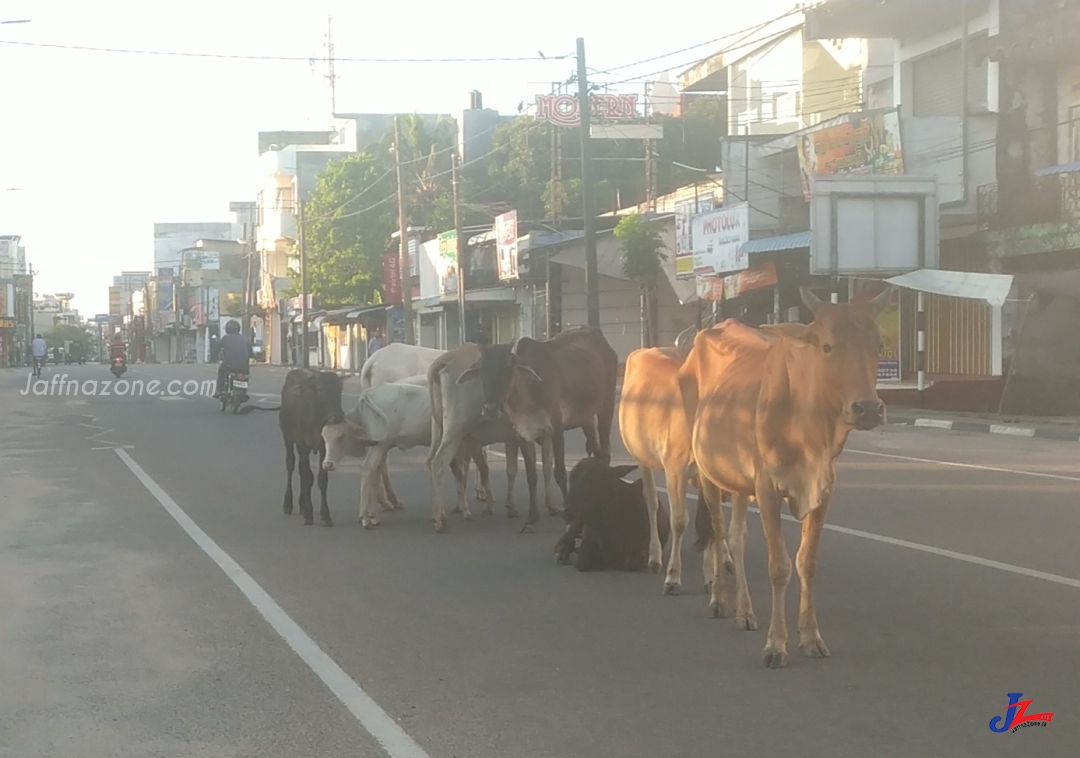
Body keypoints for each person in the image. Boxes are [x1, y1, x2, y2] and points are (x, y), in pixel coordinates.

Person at [215, 320, 251, 398]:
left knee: (221, 371)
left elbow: (216, 348)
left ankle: (219, 390)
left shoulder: (226, 338)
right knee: (245, 375)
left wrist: (214, 356)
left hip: (229, 364)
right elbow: (250, 352)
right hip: (244, 365)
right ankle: (243, 392)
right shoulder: (244, 339)